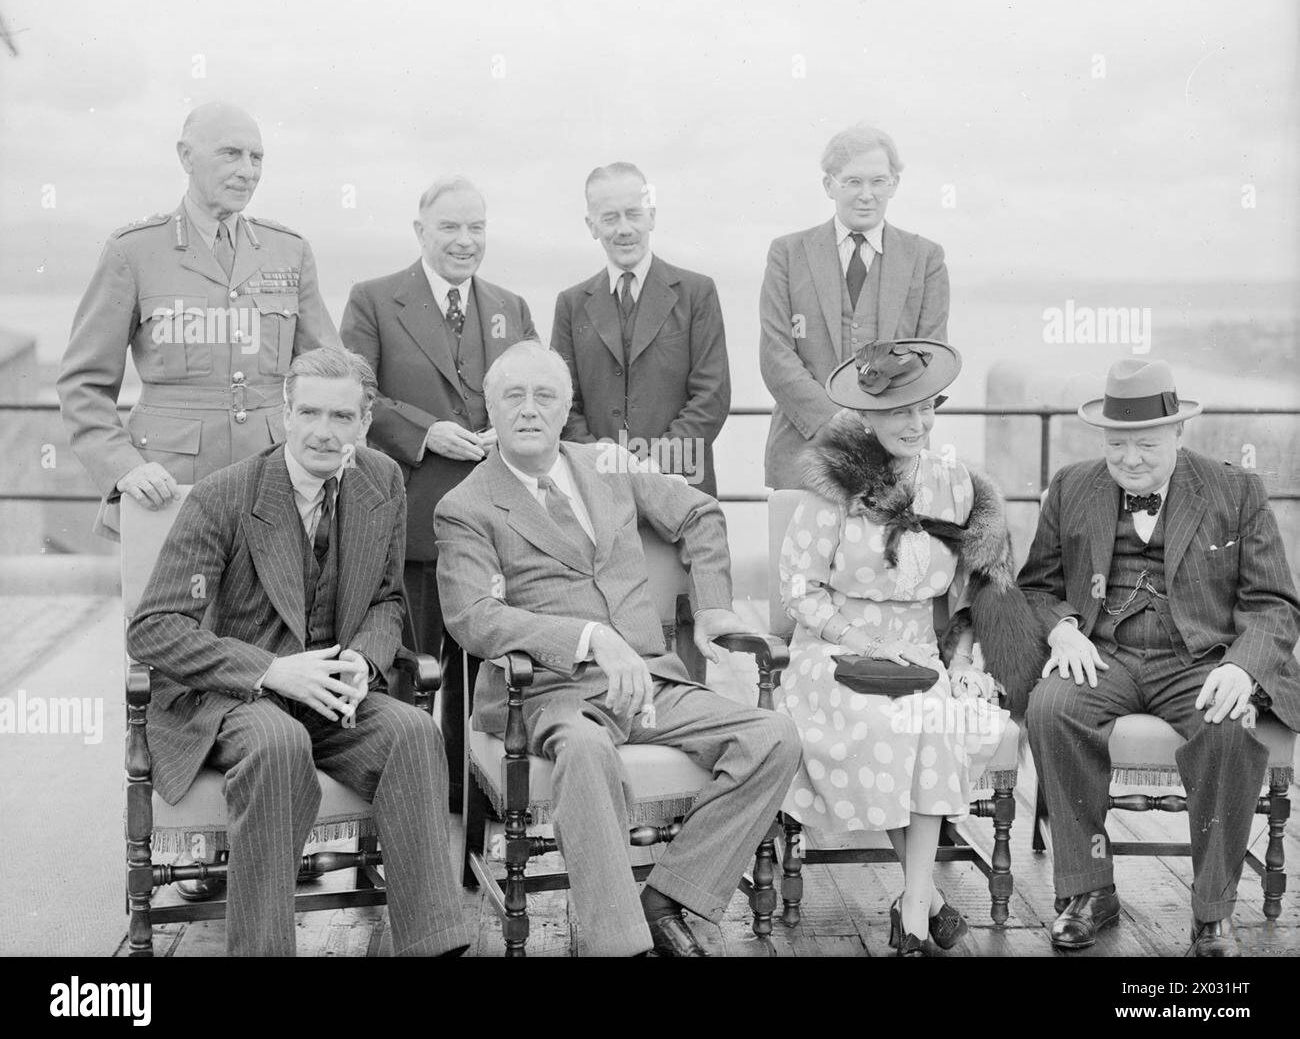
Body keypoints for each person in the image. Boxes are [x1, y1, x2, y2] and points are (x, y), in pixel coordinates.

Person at [433, 340, 801, 957]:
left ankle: (667, 898)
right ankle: (617, 943)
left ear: (565, 407)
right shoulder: (465, 506)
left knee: (773, 738)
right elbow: (474, 617)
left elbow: (701, 514)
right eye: (513, 397)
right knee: (584, 750)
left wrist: (711, 605)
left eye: (544, 396)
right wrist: (588, 638)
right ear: (489, 411)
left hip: (651, 681)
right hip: (548, 692)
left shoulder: (607, 464)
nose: (529, 410)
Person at [127, 348, 469, 957]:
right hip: (235, 696)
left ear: (365, 425)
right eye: (308, 412)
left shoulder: (382, 481)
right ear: (284, 414)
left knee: (416, 732)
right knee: (278, 744)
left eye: (342, 417)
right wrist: (273, 671)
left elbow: (387, 599)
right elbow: (153, 629)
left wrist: (364, 661)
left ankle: (435, 946)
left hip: (333, 696)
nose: (323, 431)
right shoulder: (223, 496)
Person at [1018, 358, 1300, 957]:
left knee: (1227, 725)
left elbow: (1274, 602)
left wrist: (1242, 667)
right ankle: (1088, 889)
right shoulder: (1072, 486)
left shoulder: (1236, 491)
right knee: (1050, 707)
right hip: (1105, 654)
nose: (1130, 460)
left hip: (1199, 660)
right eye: (1117, 446)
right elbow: (1036, 589)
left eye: (1146, 444)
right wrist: (1063, 631)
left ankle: (1211, 910)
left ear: (1178, 433)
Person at [776, 339, 1036, 956]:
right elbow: (798, 590)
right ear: (866, 416)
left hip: (920, 654)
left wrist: (965, 658)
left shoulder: (956, 486)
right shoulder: (833, 487)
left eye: (925, 408)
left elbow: (979, 585)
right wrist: (857, 636)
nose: (914, 425)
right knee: (894, 724)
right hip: (835, 651)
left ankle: (914, 911)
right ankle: (927, 906)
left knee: (932, 721)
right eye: (897, 411)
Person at [340, 176, 537, 812]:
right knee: (412, 668)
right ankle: (401, 805)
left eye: (476, 227)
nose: (465, 240)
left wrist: (504, 428)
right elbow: (356, 395)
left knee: (487, 677)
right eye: (450, 227)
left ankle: (470, 808)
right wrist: (428, 433)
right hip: (413, 519)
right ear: (421, 231)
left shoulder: (512, 305)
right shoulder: (372, 300)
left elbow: (535, 392)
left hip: (495, 524)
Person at [57, 101, 338, 538]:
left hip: (275, 489)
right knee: (172, 608)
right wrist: (124, 469)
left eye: (256, 157)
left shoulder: (290, 251)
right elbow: (83, 385)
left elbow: (330, 375)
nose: (248, 170)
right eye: (231, 154)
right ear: (186, 157)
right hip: (167, 490)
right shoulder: (133, 252)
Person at [760, 124, 949, 490]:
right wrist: (836, 422)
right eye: (852, 182)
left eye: (878, 181)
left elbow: (931, 360)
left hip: (896, 459)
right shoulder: (787, 254)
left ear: (894, 183)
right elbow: (775, 356)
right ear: (829, 185)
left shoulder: (926, 259)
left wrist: (879, 424)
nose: (866, 195)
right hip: (804, 456)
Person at [551, 161, 731, 497]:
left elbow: (712, 395)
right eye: (609, 217)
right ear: (591, 225)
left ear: (651, 216)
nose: (623, 229)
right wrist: (598, 461)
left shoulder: (696, 293)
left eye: (633, 214)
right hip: (597, 489)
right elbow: (562, 402)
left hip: (681, 486)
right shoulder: (571, 304)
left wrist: (656, 462)